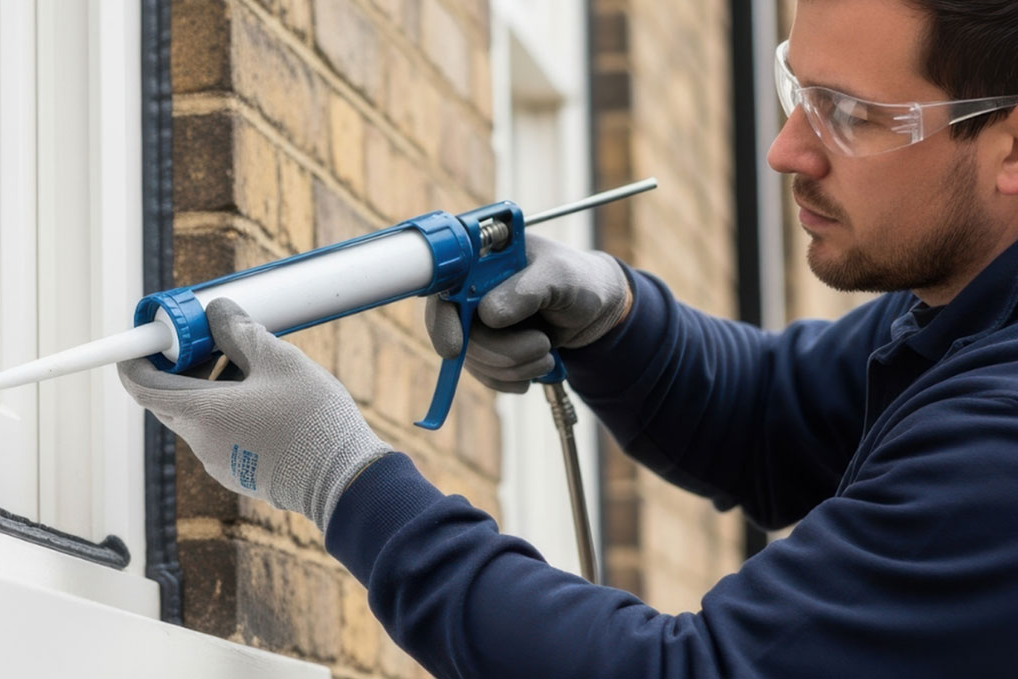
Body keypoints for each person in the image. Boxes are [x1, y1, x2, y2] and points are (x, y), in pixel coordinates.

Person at [119, 0, 1018, 676]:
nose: (787, 149)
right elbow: (781, 415)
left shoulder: (998, 439)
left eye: (850, 114)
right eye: (796, 88)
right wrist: (616, 318)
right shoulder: (957, 305)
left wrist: (336, 475)